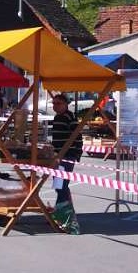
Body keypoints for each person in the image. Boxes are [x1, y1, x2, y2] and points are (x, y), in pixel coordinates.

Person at [48, 94, 83, 234]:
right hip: (57, 155)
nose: (55, 106)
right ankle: (59, 212)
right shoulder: (57, 118)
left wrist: (75, 154)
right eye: (54, 103)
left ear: (65, 104)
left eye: (58, 103)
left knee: (61, 185)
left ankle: (64, 217)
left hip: (67, 156)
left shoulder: (70, 117)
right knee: (59, 185)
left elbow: (77, 137)